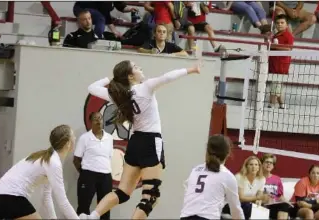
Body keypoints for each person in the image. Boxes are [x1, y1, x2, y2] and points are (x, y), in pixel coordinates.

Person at [86, 60, 201, 219]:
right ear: (130, 76)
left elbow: (91, 88)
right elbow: (167, 77)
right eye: (135, 67)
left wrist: (110, 79)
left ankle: (92, 216)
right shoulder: (145, 87)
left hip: (134, 143)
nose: (140, 67)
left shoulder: (118, 95)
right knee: (150, 197)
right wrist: (191, 69)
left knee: (122, 193)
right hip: (150, 142)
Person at [0, 125, 82, 219]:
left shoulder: (50, 159)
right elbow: (63, 203)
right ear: (67, 143)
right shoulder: (53, 163)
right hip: (9, 197)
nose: (75, 138)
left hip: (1, 196)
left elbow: (46, 196)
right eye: (73, 136)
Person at [180, 135, 245, 220]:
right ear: (228, 154)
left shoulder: (195, 170)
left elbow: (187, 188)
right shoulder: (227, 176)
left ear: (207, 151)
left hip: (185, 216)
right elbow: (236, 210)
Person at [74, 112, 114, 219]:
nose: (98, 121)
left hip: (106, 177)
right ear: (90, 122)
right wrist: (84, 174)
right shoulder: (84, 138)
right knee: (83, 207)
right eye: (95, 119)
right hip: (88, 176)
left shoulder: (109, 138)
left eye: (100, 118)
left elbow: (109, 157)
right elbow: (76, 159)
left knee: (105, 208)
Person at [223, 155, 269, 220]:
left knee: (261, 209)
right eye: (251, 164)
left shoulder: (262, 179)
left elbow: (259, 194)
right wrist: (258, 198)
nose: (254, 167)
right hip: (231, 205)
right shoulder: (239, 177)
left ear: (259, 167)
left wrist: (259, 200)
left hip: (248, 205)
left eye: (256, 165)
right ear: (246, 166)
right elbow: (241, 198)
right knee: (249, 207)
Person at [266, 14, 294, 109]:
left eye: (282, 23)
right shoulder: (274, 35)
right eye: (278, 23)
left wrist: (273, 46)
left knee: (275, 86)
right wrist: (267, 39)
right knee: (278, 86)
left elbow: (288, 49)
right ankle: (282, 104)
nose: (280, 25)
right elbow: (268, 46)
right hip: (274, 64)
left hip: (281, 66)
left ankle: (271, 104)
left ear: (287, 24)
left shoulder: (288, 36)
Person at [260, 153, 289, 220]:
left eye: (271, 163)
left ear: (273, 166)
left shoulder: (277, 179)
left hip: (274, 206)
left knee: (284, 205)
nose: (269, 164)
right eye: (267, 162)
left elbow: (280, 196)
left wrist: (284, 200)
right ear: (262, 164)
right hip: (263, 204)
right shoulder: (258, 178)